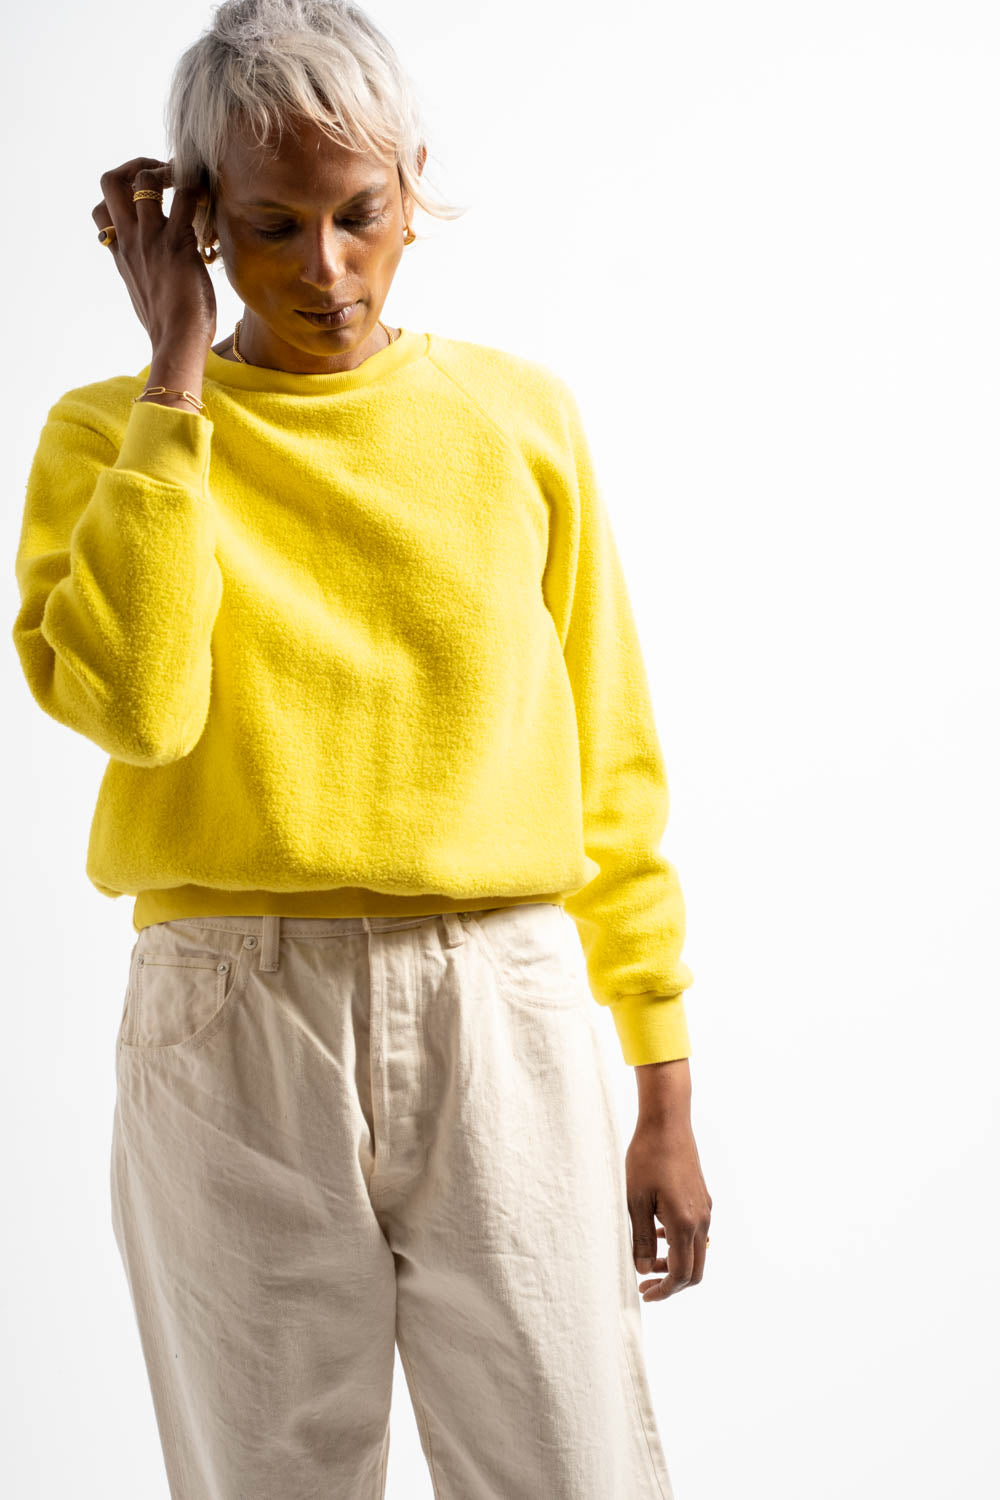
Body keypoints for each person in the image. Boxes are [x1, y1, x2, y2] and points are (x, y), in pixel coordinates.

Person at [11, 0, 712, 1495]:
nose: (325, 269)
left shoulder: (517, 420)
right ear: (197, 220)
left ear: (412, 189)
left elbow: (610, 753)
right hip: (229, 1012)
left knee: (568, 1469)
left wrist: (662, 1084)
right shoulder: (112, 436)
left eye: (360, 215)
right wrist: (176, 377)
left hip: (500, 995)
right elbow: (138, 708)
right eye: (271, 226)